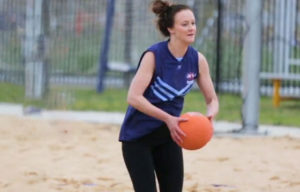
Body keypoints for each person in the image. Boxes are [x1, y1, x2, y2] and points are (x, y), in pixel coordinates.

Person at [119, 0, 219, 191]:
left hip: (170, 137)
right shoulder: (154, 55)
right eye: (185, 24)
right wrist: (168, 118)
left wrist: (210, 116)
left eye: (193, 23)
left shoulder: (197, 60)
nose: (191, 28)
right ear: (170, 29)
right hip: (138, 138)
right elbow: (133, 97)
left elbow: (212, 99)